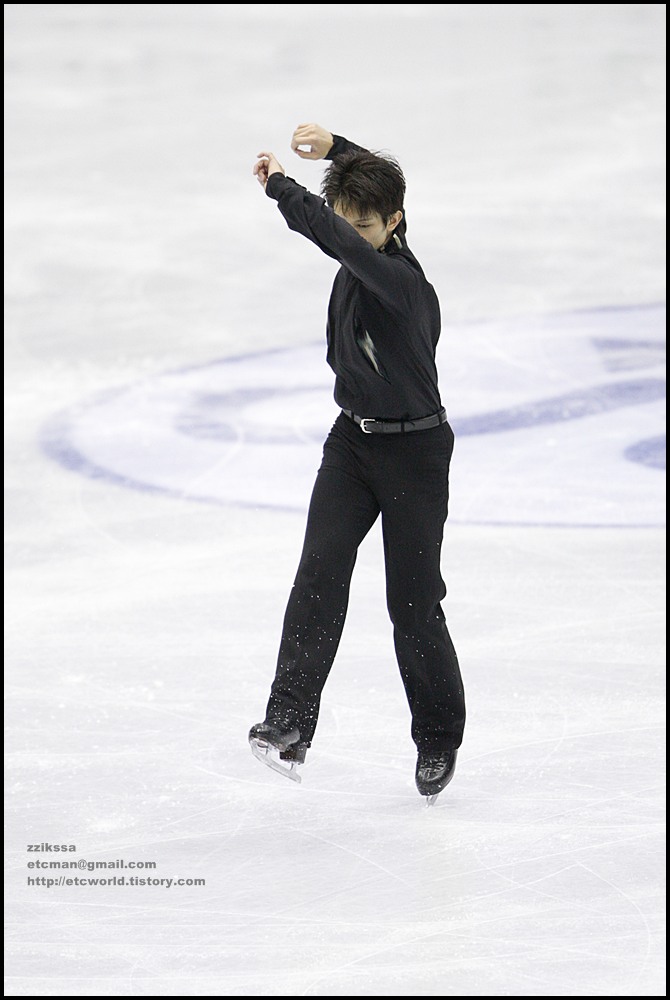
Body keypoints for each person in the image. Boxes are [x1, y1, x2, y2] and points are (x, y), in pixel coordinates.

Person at [248, 123, 465, 801]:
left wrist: (284, 186)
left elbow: (336, 237)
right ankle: (288, 722)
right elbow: (353, 211)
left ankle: (437, 738)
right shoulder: (366, 235)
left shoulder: (398, 281)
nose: (352, 234)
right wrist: (339, 149)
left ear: (394, 224)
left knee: (413, 603)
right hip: (353, 443)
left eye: (365, 225)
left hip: (415, 452)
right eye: (348, 220)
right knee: (318, 574)